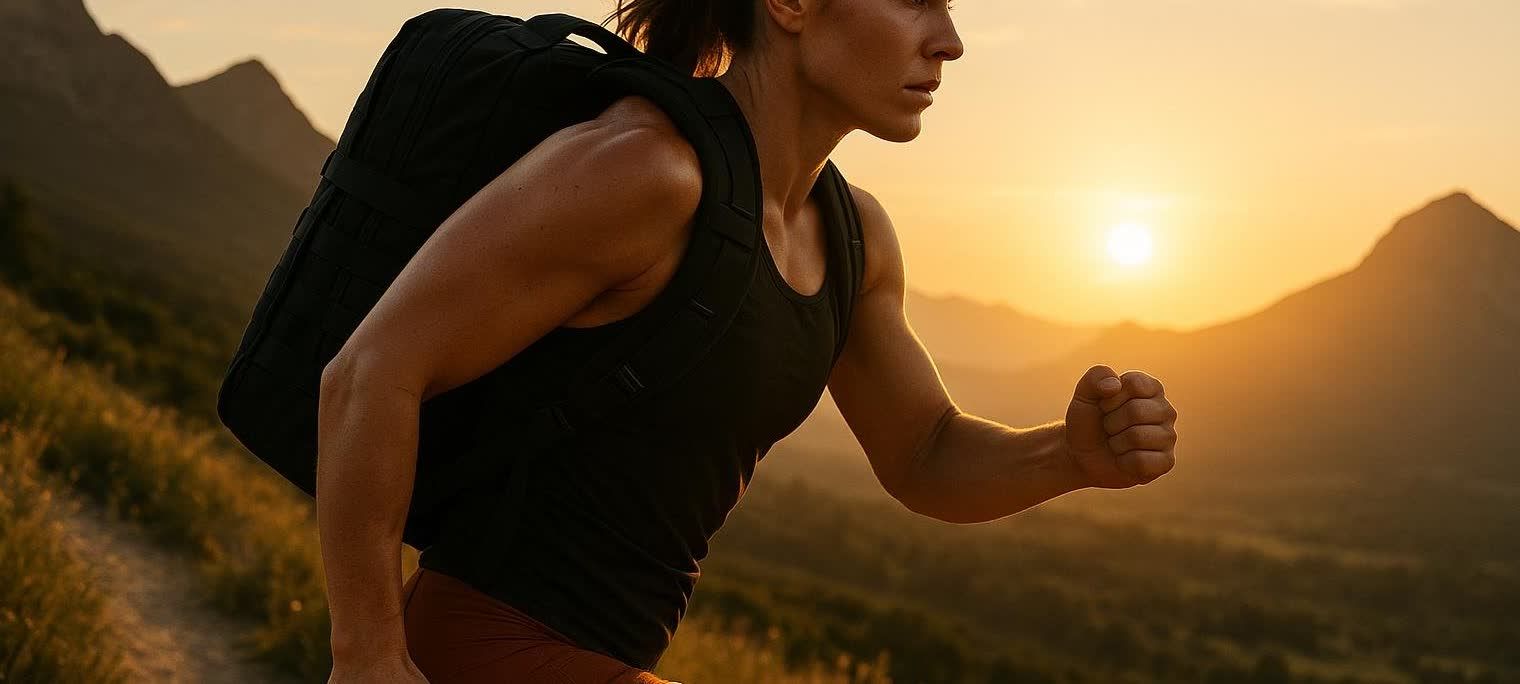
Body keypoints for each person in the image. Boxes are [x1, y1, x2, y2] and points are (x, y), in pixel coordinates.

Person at [317, 0, 1178, 682]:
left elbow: (925, 453)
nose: (949, 41)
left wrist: (1066, 456)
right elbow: (370, 371)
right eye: (917, 0)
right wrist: (366, 660)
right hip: (478, 650)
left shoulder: (852, 238)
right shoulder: (644, 172)